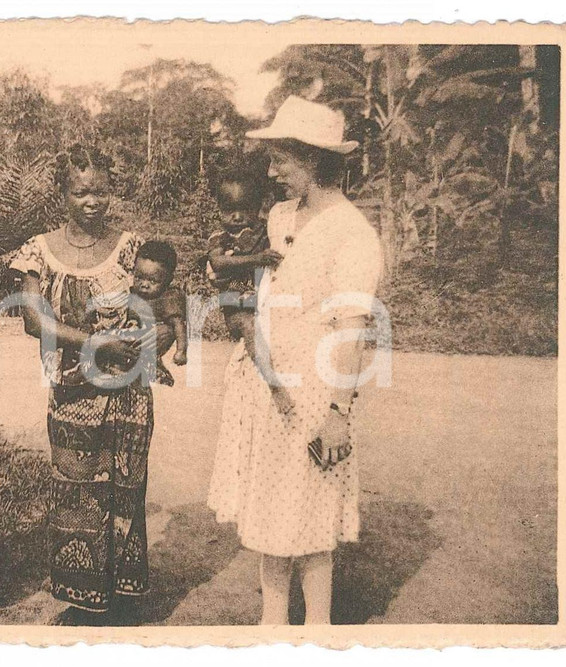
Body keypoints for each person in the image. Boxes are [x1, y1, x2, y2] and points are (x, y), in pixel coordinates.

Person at [207, 96, 384, 625]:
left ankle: (319, 631)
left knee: (311, 515)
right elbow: (260, 293)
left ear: (314, 159)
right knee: (269, 510)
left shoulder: (353, 233)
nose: (272, 171)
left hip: (313, 392)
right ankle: (273, 627)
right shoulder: (281, 215)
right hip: (265, 386)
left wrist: (337, 413)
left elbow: (351, 329)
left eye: (281, 159)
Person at [10, 144, 170, 618]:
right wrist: (97, 343)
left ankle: (121, 593)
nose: (92, 201)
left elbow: (169, 291)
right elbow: (34, 322)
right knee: (77, 489)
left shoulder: (132, 246)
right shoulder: (37, 251)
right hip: (73, 394)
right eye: (81, 191)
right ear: (63, 192)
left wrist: (169, 327)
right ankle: (81, 598)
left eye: (100, 190)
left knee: (126, 488)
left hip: (130, 395)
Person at [204, 167, 287, 407]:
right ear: (220, 209)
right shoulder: (220, 238)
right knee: (250, 329)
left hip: (264, 301)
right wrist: (257, 259)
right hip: (237, 306)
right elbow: (218, 261)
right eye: (230, 210)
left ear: (258, 206)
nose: (237, 217)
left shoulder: (265, 230)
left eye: (245, 209)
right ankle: (274, 383)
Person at [126, 239, 188, 386]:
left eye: (152, 281)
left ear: (168, 280)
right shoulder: (131, 293)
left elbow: (178, 325)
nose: (144, 285)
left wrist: (181, 350)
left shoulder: (167, 298)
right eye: (139, 277)